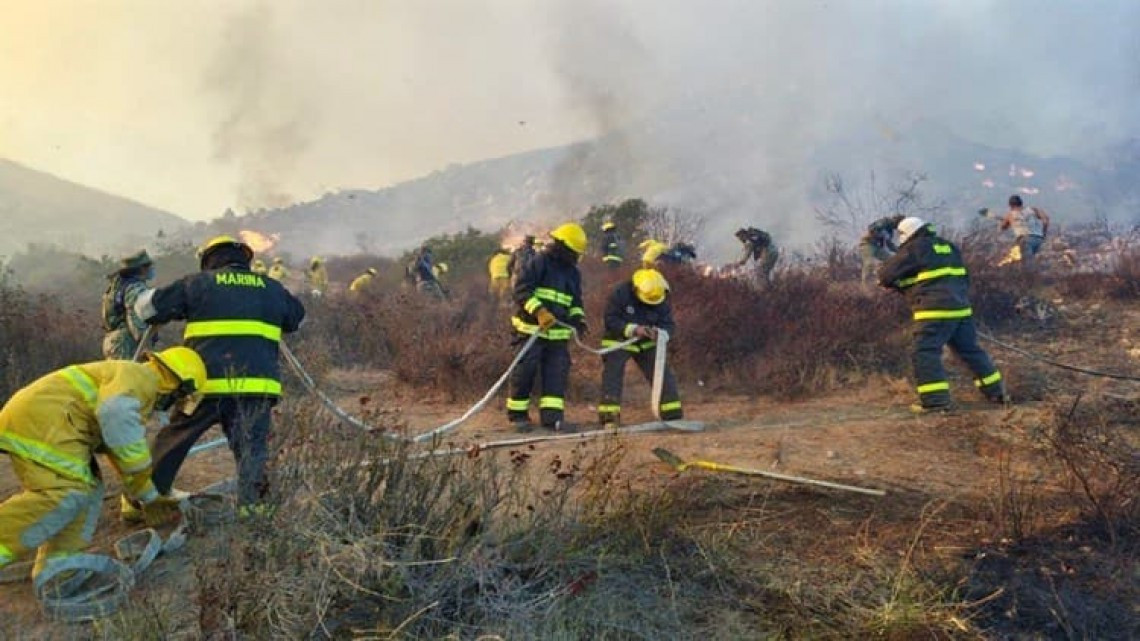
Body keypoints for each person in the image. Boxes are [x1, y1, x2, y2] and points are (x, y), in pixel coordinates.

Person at [132, 235, 305, 513]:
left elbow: (147, 309)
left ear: (209, 259)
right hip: (255, 390)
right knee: (252, 451)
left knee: (172, 441)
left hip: (204, 388)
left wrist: (138, 291)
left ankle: (141, 501)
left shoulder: (197, 284)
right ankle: (253, 511)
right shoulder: (272, 288)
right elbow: (298, 318)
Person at [0, 347, 206, 579]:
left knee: (88, 490)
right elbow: (116, 419)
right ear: (176, 385)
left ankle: (58, 570)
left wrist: (147, 497)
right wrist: (147, 493)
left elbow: (116, 450)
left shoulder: (135, 383)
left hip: (52, 424)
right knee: (67, 493)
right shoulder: (142, 378)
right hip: (43, 424)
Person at [878, 218, 1008, 413]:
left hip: (935, 310)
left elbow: (885, 275)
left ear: (907, 234)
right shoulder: (949, 247)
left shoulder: (915, 248)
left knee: (924, 351)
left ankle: (935, 401)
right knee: (970, 350)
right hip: (961, 308)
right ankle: (997, 393)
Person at [506, 223, 588, 433]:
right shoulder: (539, 262)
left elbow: (576, 301)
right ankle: (518, 416)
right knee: (525, 369)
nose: (576, 257)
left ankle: (552, 419)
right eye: (574, 252)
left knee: (556, 373)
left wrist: (578, 320)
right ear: (564, 247)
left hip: (558, 335)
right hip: (530, 330)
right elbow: (521, 290)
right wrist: (540, 312)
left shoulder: (573, 273)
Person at [597, 269, 683, 428]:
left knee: (662, 374)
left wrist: (660, 333)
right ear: (636, 290)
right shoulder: (620, 294)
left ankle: (672, 414)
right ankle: (609, 418)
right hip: (619, 340)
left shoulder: (659, 297)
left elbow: (669, 325)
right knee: (612, 376)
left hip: (647, 342)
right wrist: (633, 329)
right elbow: (611, 319)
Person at [101, 249, 155, 359]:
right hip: (127, 344)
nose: (150, 268)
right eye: (147, 266)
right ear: (141, 268)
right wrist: (146, 346)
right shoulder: (135, 288)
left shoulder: (117, 286)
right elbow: (137, 320)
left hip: (113, 342)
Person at [981, 195, 1051, 268]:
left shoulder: (1010, 214)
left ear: (1010, 205)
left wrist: (1005, 222)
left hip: (1024, 240)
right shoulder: (1033, 210)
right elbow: (1046, 219)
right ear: (1021, 203)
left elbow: (1003, 227)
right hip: (1038, 239)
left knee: (1026, 264)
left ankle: (1029, 277)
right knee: (1032, 260)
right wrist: (1044, 233)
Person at [859, 215, 905, 285]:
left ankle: (887, 280)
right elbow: (871, 228)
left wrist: (900, 251)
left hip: (877, 247)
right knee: (869, 263)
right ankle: (865, 286)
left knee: (891, 260)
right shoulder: (884, 222)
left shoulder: (890, 231)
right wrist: (878, 231)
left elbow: (889, 244)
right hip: (867, 244)